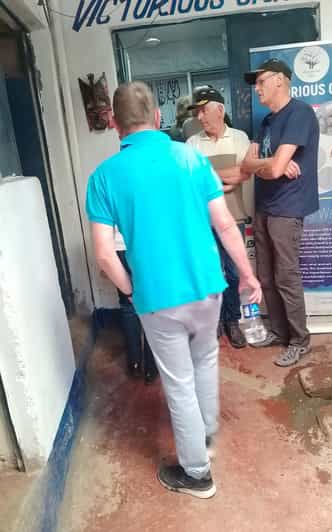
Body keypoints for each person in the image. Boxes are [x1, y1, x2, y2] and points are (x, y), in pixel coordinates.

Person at [86, 81, 261, 499]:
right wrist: (248, 275)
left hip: (158, 298)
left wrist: (132, 291)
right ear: (157, 117)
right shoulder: (191, 158)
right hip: (208, 287)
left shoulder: (104, 177)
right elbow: (225, 225)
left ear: (114, 124)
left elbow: (105, 256)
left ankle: (197, 474)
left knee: (179, 382)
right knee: (205, 361)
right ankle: (206, 435)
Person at [242, 58, 319, 367]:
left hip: (288, 208)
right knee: (265, 276)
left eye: (261, 81)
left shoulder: (299, 114)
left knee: (286, 277)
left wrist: (270, 165)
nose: (257, 88)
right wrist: (271, 164)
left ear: (280, 80)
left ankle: (300, 341)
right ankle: (278, 331)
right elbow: (248, 165)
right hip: (264, 206)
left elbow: (271, 169)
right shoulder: (266, 122)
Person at [186, 86, 251, 349]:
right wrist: (226, 178)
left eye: (204, 110)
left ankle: (232, 320)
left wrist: (209, 176)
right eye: (197, 112)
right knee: (209, 273)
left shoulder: (239, 138)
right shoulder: (192, 143)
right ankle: (213, 322)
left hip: (234, 218)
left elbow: (244, 173)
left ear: (220, 110)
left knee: (234, 273)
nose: (199, 117)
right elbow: (192, 182)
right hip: (203, 221)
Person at [114, 228, 158, 384]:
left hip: (118, 247)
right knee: (152, 309)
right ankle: (151, 368)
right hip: (147, 245)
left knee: (128, 308)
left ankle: (134, 364)